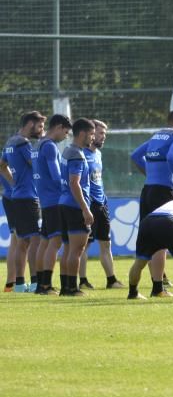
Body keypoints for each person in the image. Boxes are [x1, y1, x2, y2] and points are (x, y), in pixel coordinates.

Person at [130, 110, 173, 288]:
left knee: (148, 238)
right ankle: (158, 287)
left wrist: (150, 173)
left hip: (147, 190)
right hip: (163, 191)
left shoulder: (157, 136)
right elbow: (172, 157)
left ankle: (150, 285)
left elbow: (135, 155)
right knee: (161, 240)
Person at [1, 111, 46, 293]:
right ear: (30, 124)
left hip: (16, 196)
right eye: (40, 126)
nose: (42, 130)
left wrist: (14, 183)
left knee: (22, 241)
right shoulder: (25, 144)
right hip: (29, 197)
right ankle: (35, 282)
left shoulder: (10, 142)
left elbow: (2, 166)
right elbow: (36, 165)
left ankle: (19, 283)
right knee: (35, 240)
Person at [79, 120, 122, 289]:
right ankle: (82, 281)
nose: (103, 137)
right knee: (83, 244)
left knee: (106, 242)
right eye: (101, 133)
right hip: (88, 205)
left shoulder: (98, 154)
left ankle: (111, 280)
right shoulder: (80, 154)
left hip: (101, 204)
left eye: (105, 134)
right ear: (91, 133)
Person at [56, 119, 96, 297]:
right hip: (74, 205)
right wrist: (85, 209)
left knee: (67, 248)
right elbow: (75, 183)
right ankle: (72, 288)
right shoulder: (77, 155)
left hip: (64, 203)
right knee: (76, 250)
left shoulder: (67, 150)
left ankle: (65, 287)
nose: (93, 138)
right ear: (82, 134)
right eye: (92, 134)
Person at [34, 114, 72, 295]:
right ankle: (46, 285)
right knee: (55, 242)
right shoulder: (49, 146)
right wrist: (68, 186)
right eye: (65, 132)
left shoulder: (39, 143)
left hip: (44, 199)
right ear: (58, 127)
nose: (66, 136)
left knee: (45, 242)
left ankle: (40, 283)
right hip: (55, 199)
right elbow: (56, 175)